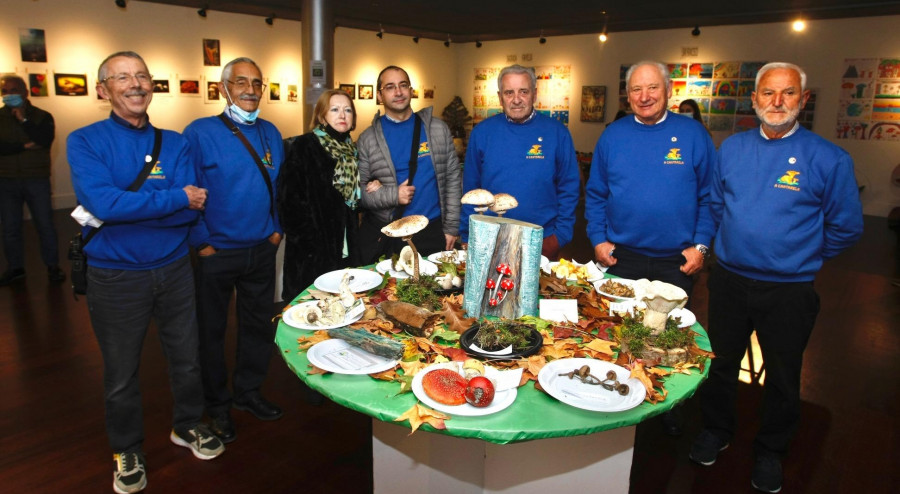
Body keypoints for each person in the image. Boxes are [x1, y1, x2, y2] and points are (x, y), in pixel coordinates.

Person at [689, 62, 863, 493]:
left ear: (803, 100)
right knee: (721, 364)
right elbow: (713, 206)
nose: (777, 102)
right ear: (754, 100)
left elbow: (847, 226)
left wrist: (802, 256)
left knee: (784, 377)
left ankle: (770, 452)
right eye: (768, 93)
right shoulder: (730, 149)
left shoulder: (828, 158)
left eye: (788, 94)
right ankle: (716, 430)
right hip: (729, 280)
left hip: (789, 290)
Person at [67, 51, 223, 494]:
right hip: (115, 276)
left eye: (141, 76)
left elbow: (193, 208)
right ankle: (126, 448)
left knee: (187, 359)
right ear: (103, 90)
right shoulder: (85, 141)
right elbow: (105, 206)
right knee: (120, 373)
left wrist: (163, 210)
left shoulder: (176, 142)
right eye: (122, 78)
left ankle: (188, 425)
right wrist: (174, 199)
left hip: (174, 268)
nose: (135, 84)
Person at [183, 57, 285, 444]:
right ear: (222, 88)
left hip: (261, 248)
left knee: (257, 326)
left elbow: (279, 189)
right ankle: (218, 406)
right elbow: (187, 187)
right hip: (217, 252)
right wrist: (202, 242)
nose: (250, 89)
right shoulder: (200, 132)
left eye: (256, 83)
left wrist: (276, 231)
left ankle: (248, 393)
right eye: (240, 82)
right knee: (210, 332)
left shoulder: (271, 132)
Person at [586, 61, 715, 298]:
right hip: (620, 258)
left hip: (677, 262)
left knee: (670, 333)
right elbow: (596, 194)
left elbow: (710, 196)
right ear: (628, 95)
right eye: (636, 89)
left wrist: (701, 247)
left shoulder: (694, 134)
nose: (644, 97)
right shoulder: (612, 135)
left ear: (668, 89)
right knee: (615, 329)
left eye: (653, 88)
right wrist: (597, 239)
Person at [460, 64, 579, 259]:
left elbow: (569, 188)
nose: (516, 100)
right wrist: (467, 234)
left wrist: (560, 236)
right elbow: (470, 190)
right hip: (490, 240)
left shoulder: (557, 133)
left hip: (542, 240)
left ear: (534, 93)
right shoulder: (482, 133)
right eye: (509, 93)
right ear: (500, 97)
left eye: (523, 91)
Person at [356, 65, 461, 262]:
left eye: (403, 85)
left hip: (433, 231)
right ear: (379, 96)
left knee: (437, 290)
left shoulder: (437, 129)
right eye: (390, 87)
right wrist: (393, 195)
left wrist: (452, 228)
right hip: (391, 233)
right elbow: (359, 195)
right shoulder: (367, 139)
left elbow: (453, 180)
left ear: (411, 91)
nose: (398, 92)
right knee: (389, 292)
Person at [278, 89, 368, 301]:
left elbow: (349, 199)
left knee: (343, 310)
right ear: (321, 115)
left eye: (348, 110)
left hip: (344, 247)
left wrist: (369, 186)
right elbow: (288, 202)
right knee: (311, 314)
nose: (342, 115)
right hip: (312, 253)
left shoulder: (350, 150)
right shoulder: (305, 145)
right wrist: (309, 242)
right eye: (334, 109)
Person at [0, 74, 65, 285]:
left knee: (44, 224)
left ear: (25, 92)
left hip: (36, 179)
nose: (9, 95)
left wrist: (24, 121)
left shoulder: (42, 116)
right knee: (10, 227)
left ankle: (53, 266)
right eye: (5, 91)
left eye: (13, 90)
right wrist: (24, 145)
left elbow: (44, 140)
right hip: (7, 180)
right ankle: (16, 268)